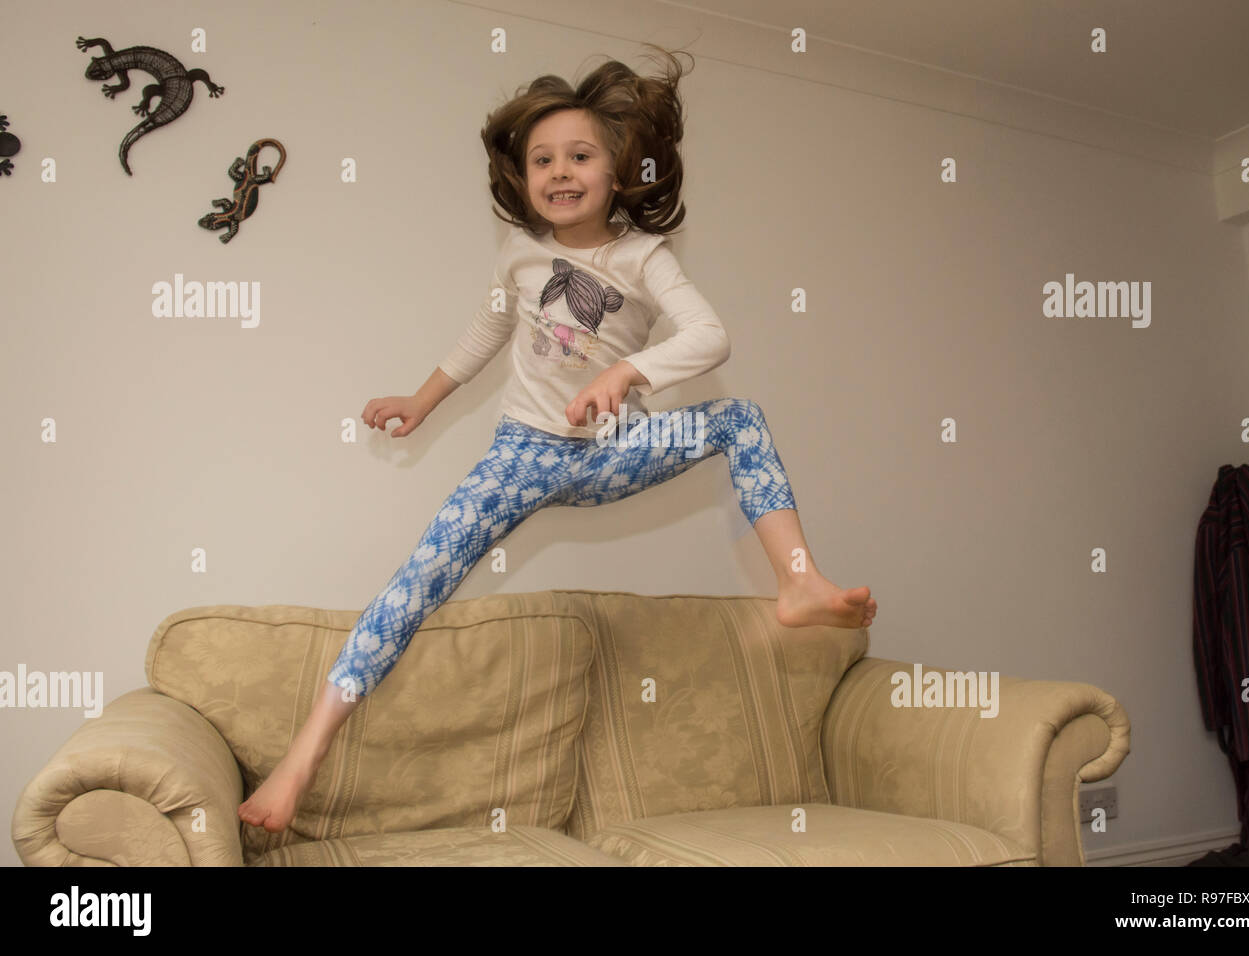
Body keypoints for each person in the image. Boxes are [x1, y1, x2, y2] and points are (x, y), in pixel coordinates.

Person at [238, 44, 877, 834]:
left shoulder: (644, 258)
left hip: (610, 452)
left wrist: (628, 375)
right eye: (543, 159)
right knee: (410, 587)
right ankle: (299, 764)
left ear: (620, 171)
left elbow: (711, 336)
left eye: (580, 156)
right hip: (520, 456)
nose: (559, 172)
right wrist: (421, 400)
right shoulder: (519, 255)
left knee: (738, 419)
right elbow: (483, 334)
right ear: (522, 176)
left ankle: (800, 583)